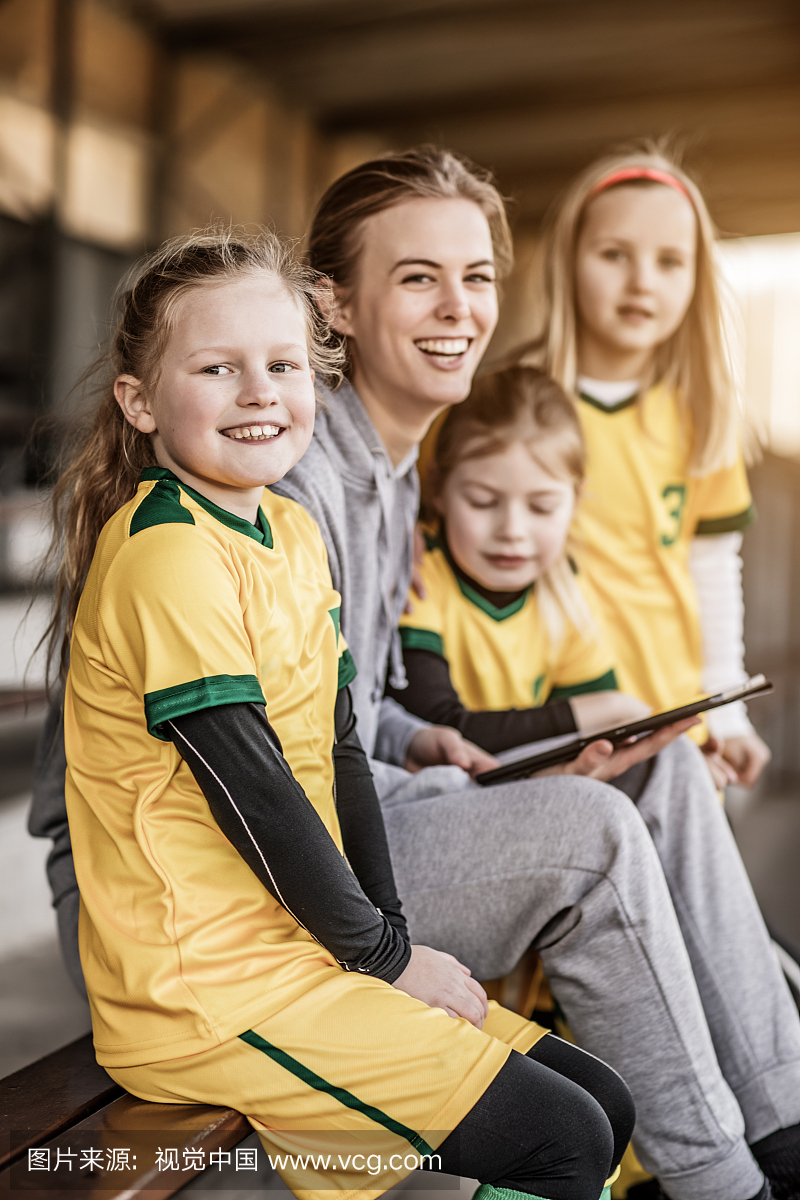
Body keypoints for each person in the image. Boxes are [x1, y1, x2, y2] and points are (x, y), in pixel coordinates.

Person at [30, 151, 800, 1199]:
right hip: (195, 903)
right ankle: (726, 1174)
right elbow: (257, 777)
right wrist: (398, 925)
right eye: (417, 278)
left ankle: (775, 1123)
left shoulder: (365, 486)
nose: (457, 307)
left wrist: (451, 751)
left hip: (311, 863)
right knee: (593, 835)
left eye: (476, 276)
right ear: (333, 308)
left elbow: (344, 717)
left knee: (650, 781)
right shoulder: (262, 475)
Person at [519, 145, 770, 790]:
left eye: (669, 262)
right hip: (545, 720)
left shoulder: (702, 416)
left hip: (673, 717)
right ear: (568, 262)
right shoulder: (510, 403)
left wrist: (730, 712)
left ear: (696, 278)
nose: (642, 283)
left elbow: (712, 572)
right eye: (614, 255)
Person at [389, 364, 649, 751]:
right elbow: (441, 726)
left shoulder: (564, 589)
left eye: (541, 507)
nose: (512, 529)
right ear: (439, 487)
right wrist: (595, 712)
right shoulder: (421, 573)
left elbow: (607, 735)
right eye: (483, 501)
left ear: (575, 501)